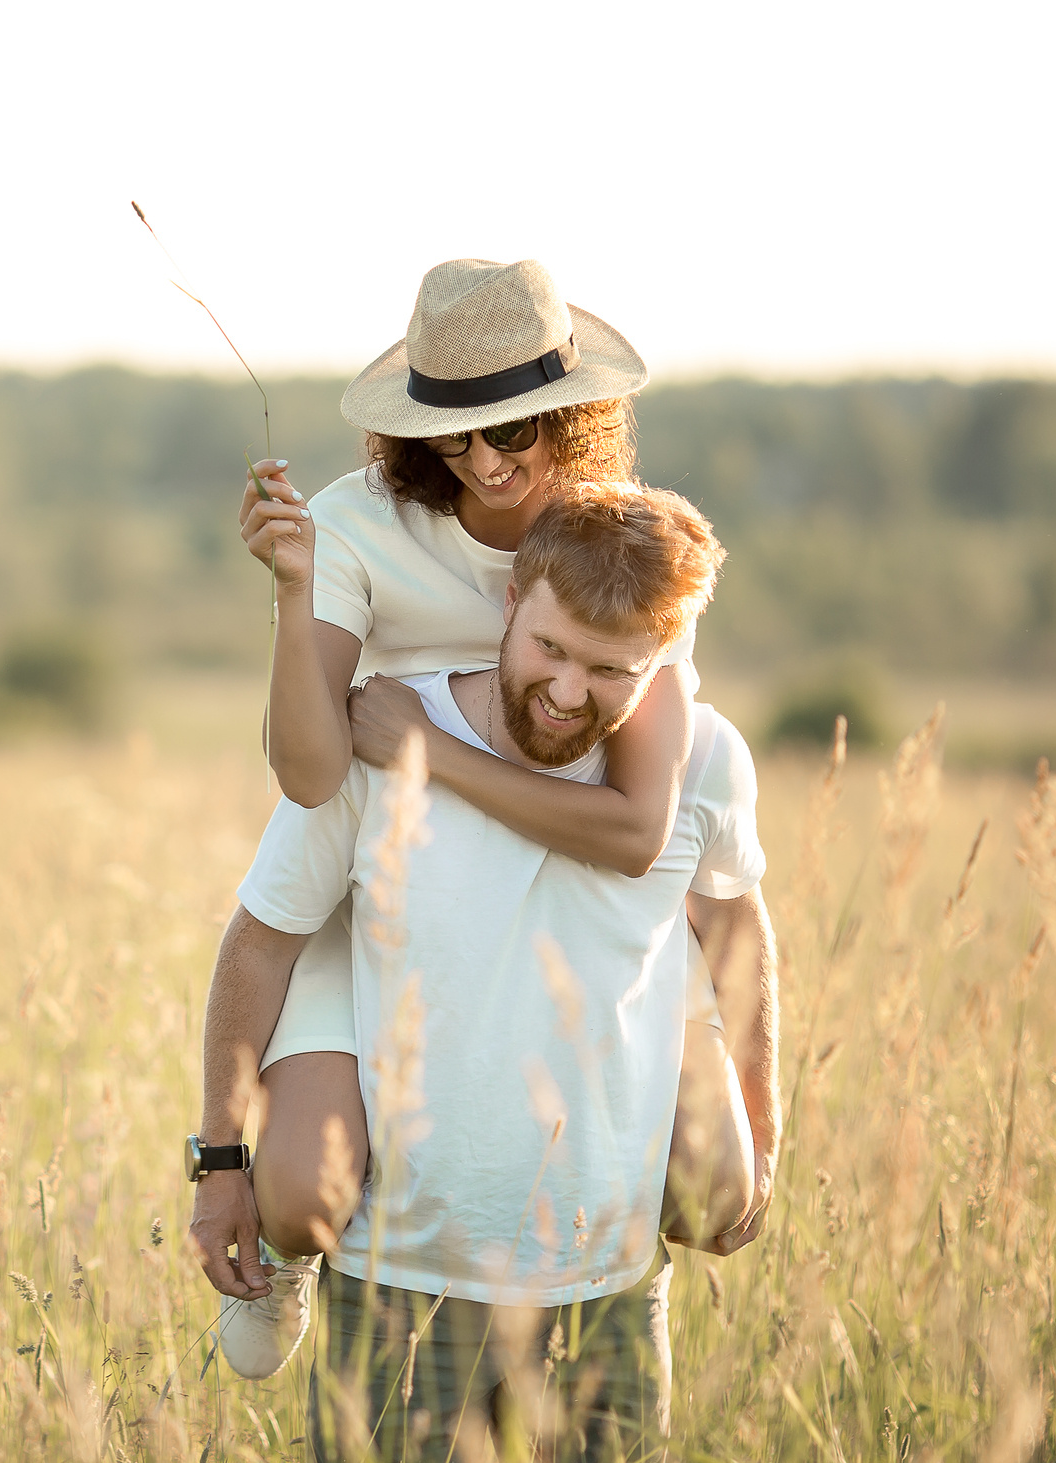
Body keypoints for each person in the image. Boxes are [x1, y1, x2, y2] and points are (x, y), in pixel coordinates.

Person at [186, 482, 780, 1463]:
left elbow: (737, 922)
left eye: (612, 670)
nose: (568, 691)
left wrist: (763, 1113)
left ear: (667, 655)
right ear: (507, 600)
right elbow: (258, 945)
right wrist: (220, 1158)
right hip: (405, 1274)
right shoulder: (376, 734)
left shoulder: (702, 759)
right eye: (550, 648)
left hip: (605, 1285)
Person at [215, 259, 757, 1379]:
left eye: (515, 429)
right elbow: (314, 773)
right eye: (457, 436)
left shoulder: (616, 547)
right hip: (385, 850)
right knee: (306, 1191)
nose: (490, 463)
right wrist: (292, 594)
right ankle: (299, 1259)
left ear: (574, 412)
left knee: (718, 1195)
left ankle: (600, 1285)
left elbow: (640, 816)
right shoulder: (351, 526)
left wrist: (433, 753)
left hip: (561, 853)